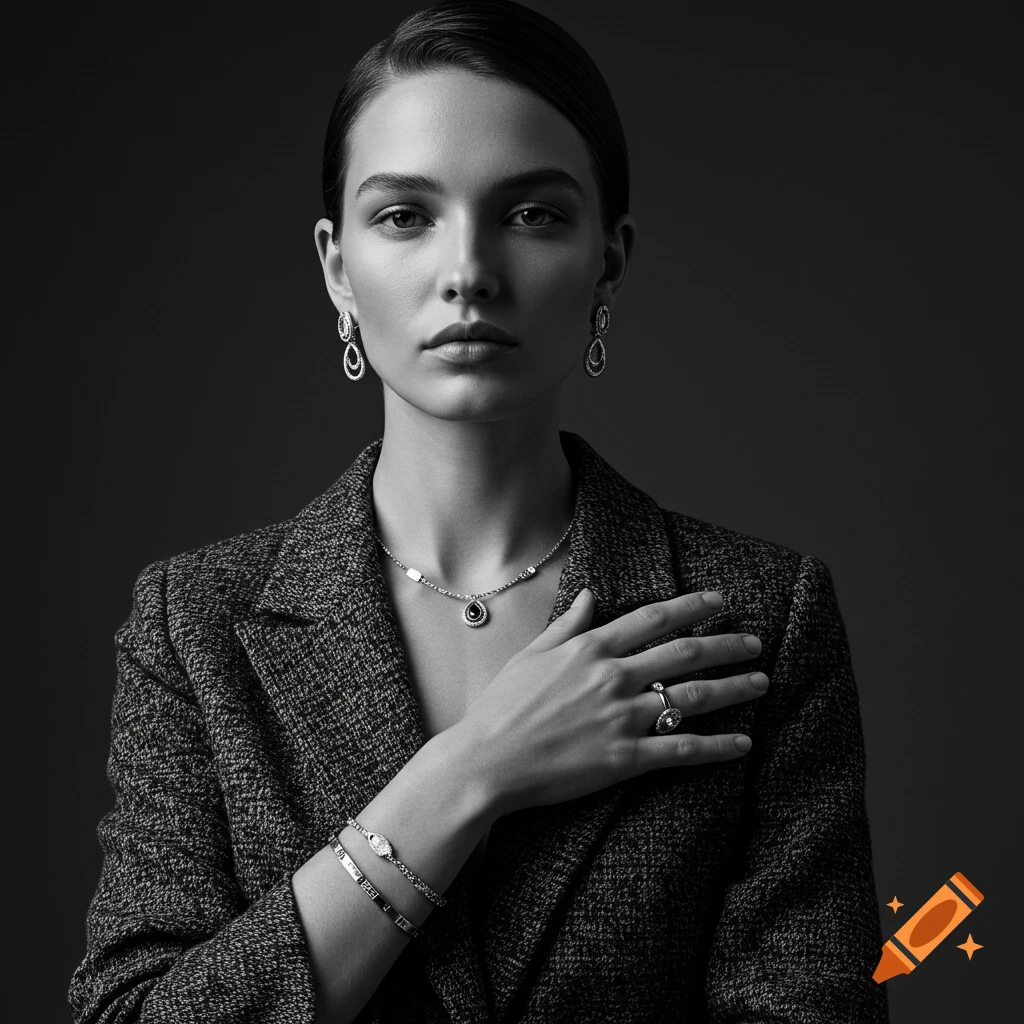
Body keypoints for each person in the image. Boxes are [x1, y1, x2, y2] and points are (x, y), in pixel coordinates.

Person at [68, 3, 889, 1022]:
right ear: (337, 267)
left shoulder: (756, 614)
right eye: (405, 215)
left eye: (532, 213)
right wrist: (471, 770)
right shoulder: (193, 622)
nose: (468, 272)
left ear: (609, 262)